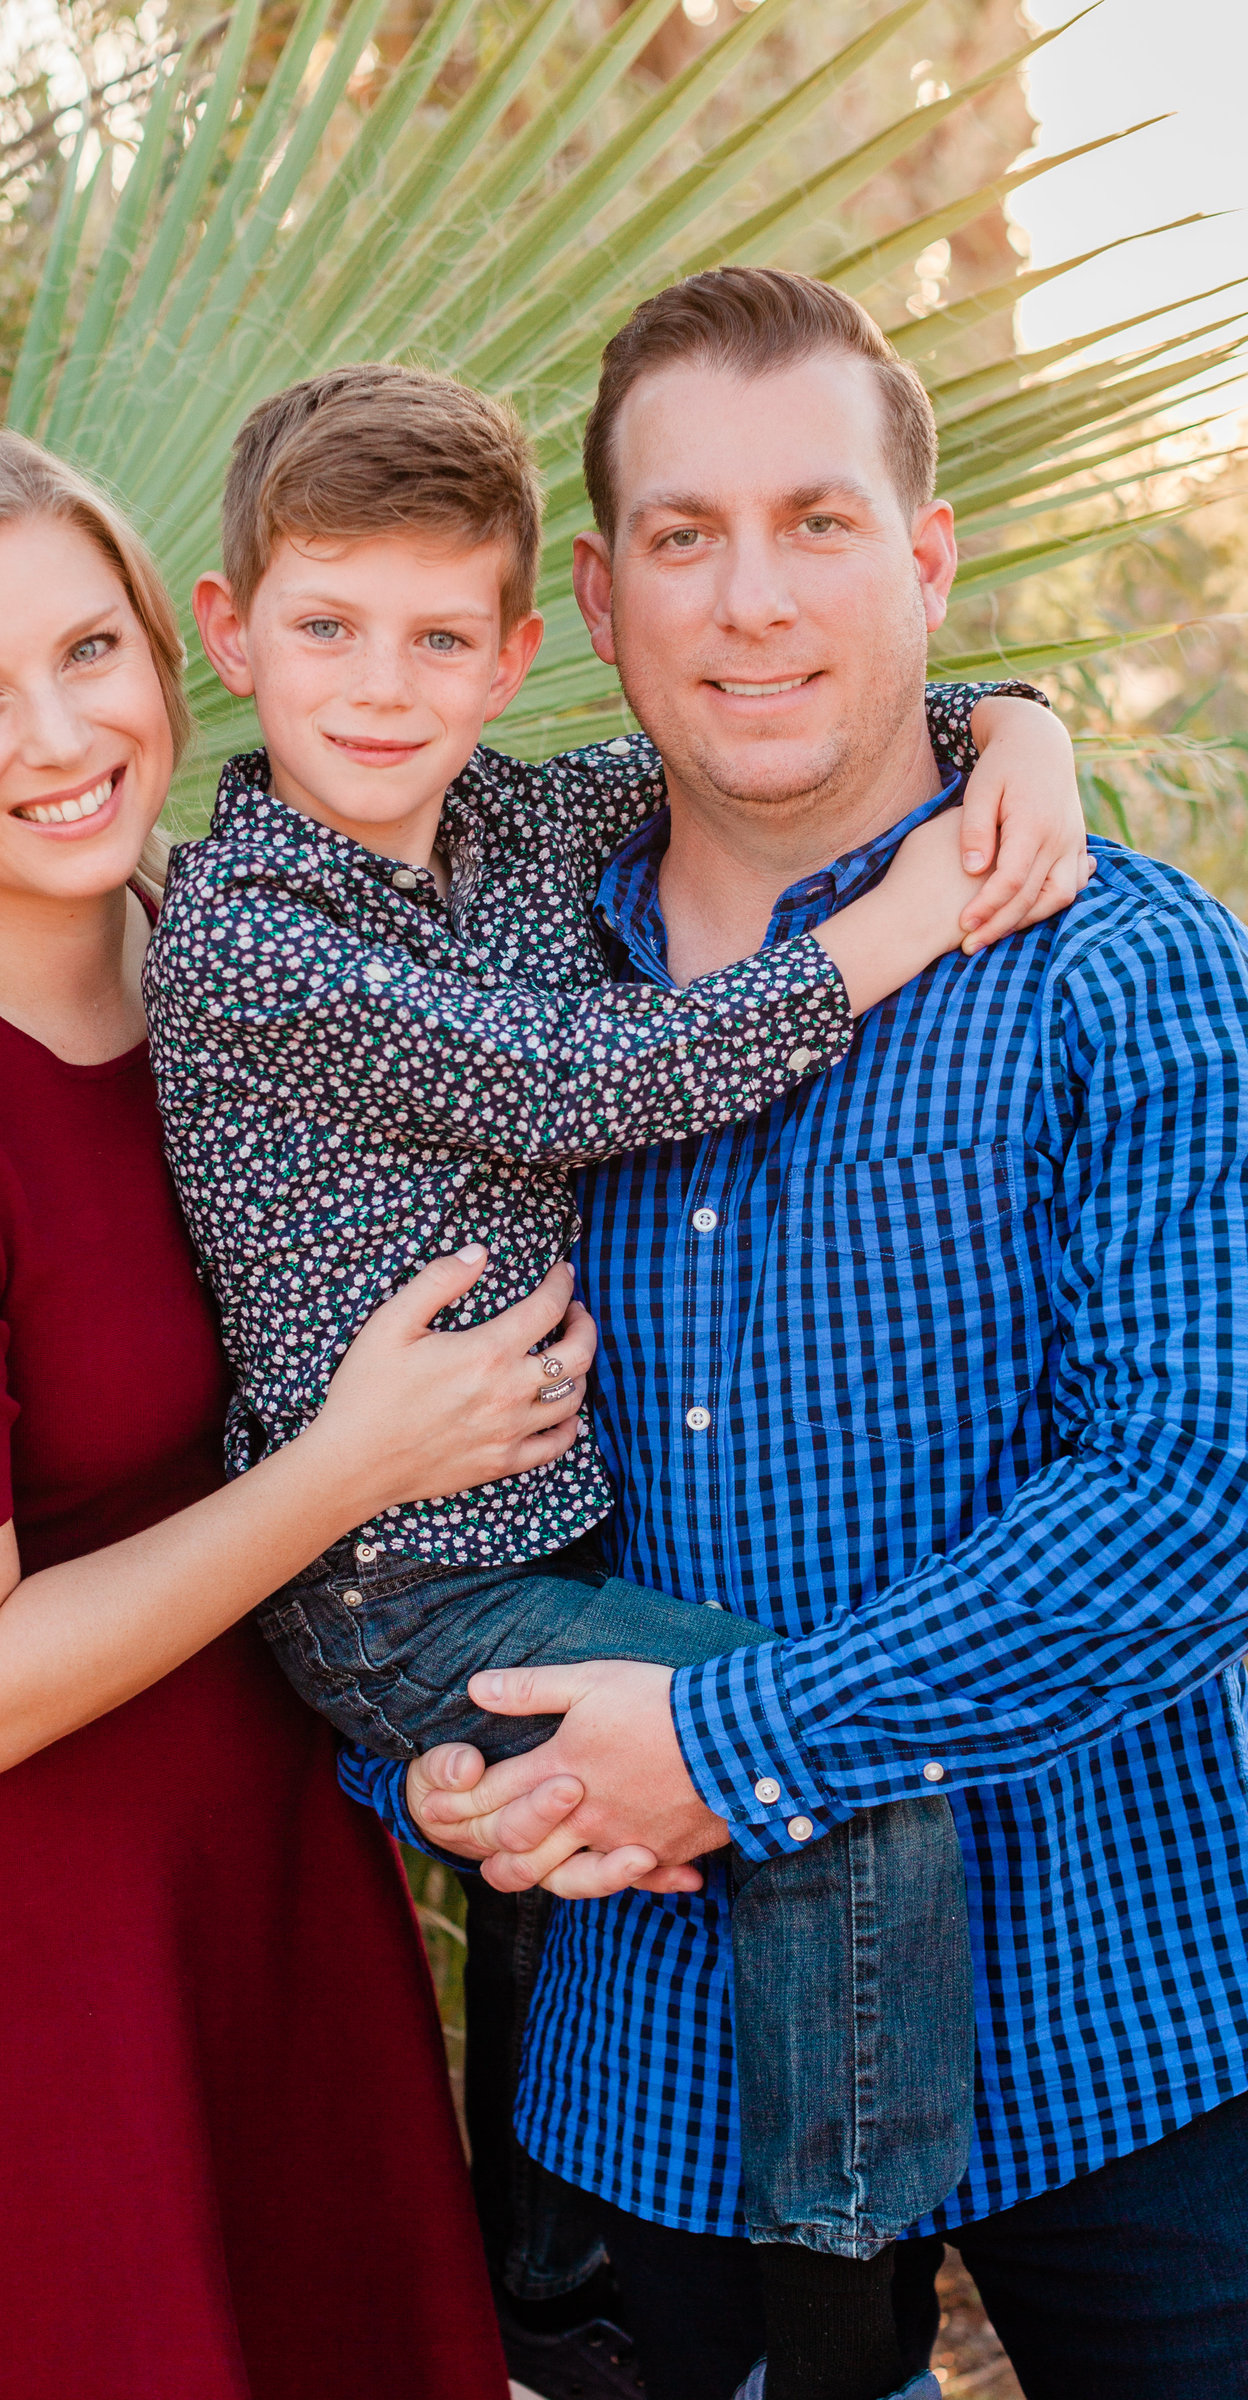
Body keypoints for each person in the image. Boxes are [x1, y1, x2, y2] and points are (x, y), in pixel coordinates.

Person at [141, 362, 1089, 2400]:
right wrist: (906, 923)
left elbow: (782, 727)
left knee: (737, 1796)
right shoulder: (241, 935)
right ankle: (847, 2336)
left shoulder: (514, 821)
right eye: (321, 630)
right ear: (230, 635)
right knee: (826, 1795)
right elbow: (586, 1080)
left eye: (429, 639)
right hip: (401, 1588)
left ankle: (673, 2308)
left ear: (509, 650)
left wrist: (1017, 722)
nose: (375, 689)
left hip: (526, 1539)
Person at [0, 421, 594, 2400]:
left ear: (177, 653)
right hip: (11, 1986)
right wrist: (356, 1463)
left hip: (268, 1902)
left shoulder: (244, 961)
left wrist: (1004, 733)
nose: (55, 734)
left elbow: (677, 799)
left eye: (87, 653)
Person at [387, 269, 1248, 2400]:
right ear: (593, 593)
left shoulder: (1117, 971)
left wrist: (720, 1746)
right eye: (683, 536)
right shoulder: (472, 1000)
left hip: (1116, 2012)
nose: (748, 601)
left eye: (818, 523)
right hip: (651, 2048)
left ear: (926, 556)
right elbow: (332, 1404)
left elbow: (1183, 1496)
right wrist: (415, 1756)